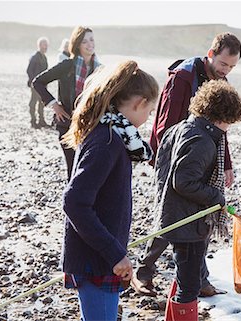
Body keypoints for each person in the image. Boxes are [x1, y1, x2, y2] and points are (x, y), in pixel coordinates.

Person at [131, 32, 241, 297]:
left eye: (232, 67)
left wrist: (225, 163)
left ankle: (199, 278)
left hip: (201, 151)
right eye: (223, 64)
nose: (226, 71)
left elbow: (220, 128)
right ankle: (143, 272)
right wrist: (168, 160)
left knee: (199, 214)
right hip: (174, 153)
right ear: (211, 54)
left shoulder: (220, 80)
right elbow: (165, 124)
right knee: (171, 214)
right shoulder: (183, 77)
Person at [60, 60, 159, 321]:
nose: (148, 118)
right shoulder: (108, 141)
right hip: (96, 258)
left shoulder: (111, 134)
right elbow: (74, 202)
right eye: (149, 111)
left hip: (99, 253)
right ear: (138, 103)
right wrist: (115, 254)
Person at [156, 80, 241, 320]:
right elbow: (182, 181)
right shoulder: (202, 141)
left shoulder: (182, 128)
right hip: (187, 223)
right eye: (229, 122)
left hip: (177, 216)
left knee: (184, 275)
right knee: (189, 285)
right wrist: (216, 197)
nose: (228, 128)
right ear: (220, 116)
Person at [33, 26, 101, 180]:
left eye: (91, 39)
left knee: (87, 168)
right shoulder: (67, 65)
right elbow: (38, 82)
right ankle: (71, 201)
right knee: (73, 169)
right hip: (67, 124)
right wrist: (54, 104)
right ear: (77, 45)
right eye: (84, 41)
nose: (90, 44)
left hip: (89, 126)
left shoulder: (99, 69)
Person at [26, 37, 49, 128]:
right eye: (44, 45)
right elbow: (29, 70)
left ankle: (41, 121)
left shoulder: (44, 57)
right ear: (39, 45)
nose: (46, 47)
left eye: (46, 45)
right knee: (33, 102)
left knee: (42, 102)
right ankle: (33, 121)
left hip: (43, 84)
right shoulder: (34, 57)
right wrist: (33, 82)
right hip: (35, 84)